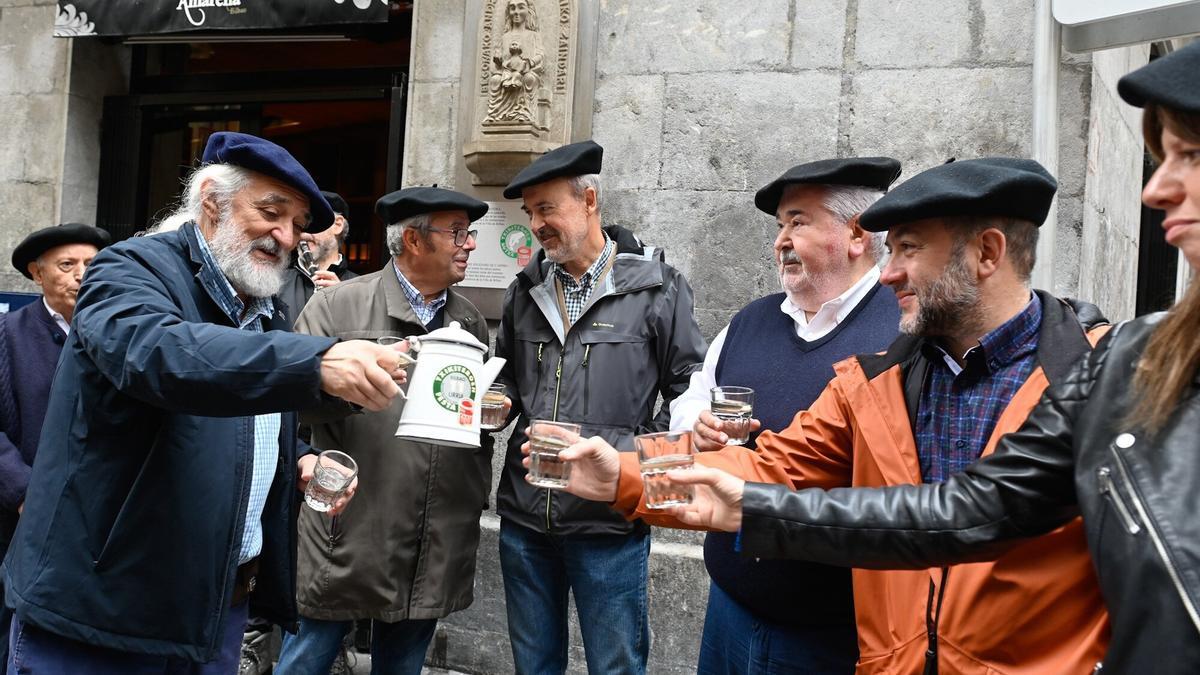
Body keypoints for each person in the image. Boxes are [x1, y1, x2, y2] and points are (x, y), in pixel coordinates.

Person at [665, 40, 1200, 675]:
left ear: (986, 253)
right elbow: (961, 512)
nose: (1157, 188)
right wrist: (638, 476)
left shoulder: (1092, 366)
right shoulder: (1131, 361)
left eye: (1188, 155)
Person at [549, 157, 1115, 673]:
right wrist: (622, 473)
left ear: (987, 253)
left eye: (909, 250)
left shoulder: (1102, 378)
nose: (888, 273)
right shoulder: (874, 380)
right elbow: (775, 466)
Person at [2, 131, 408, 673]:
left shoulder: (263, 305)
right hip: (106, 611)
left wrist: (297, 460)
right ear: (212, 202)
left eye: (297, 224)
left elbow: (236, 417)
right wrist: (314, 363)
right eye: (271, 211)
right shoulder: (129, 269)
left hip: (217, 609)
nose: (285, 236)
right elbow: (159, 355)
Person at [667, 158, 901, 674]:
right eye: (779, 227)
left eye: (798, 222)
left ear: (857, 233)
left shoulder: (902, 334)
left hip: (831, 635)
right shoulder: (750, 321)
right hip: (729, 607)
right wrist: (698, 425)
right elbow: (690, 399)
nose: (780, 240)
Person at [494, 139, 706, 674]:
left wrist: (633, 473)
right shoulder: (524, 291)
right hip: (525, 522)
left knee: (616, 666)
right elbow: (511, 387)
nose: (536, 224)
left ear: (589, 201)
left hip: (609, 521)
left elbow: (691, 392)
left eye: (547, 208)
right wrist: (489, 406)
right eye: (529, 212)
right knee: (533, 666)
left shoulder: (657, 287)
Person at [277, 187, 493, 674]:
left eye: (469, 232)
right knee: (307, 656)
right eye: (457, 232)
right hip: (351, 525)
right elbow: (285, 405)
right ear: (414, 240)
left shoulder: (470, 322)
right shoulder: (338, 308)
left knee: (403, 663)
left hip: (436, 531)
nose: (470, 244)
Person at [0, 222, 109, 664]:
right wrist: (25, 493)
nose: (82, 274)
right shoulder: (8, 335)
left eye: (92, 264)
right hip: (19, 519)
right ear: (37, 274)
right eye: (68, 265)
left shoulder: (116, 330)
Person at [279, 189, 357, 325]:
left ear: (337, 225)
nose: (302, 235)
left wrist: (346, 305)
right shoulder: (275, 281)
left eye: (311, 224)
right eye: (298, 224)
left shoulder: (363, 288)